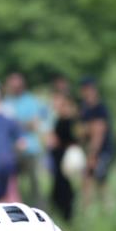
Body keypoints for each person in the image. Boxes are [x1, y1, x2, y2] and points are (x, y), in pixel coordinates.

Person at [1, 72, 50, 207]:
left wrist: (15, 126)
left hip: (30, 149)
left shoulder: (30, 101)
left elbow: (34, 124)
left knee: (34, 184)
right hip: (11, 150)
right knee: (11, 185)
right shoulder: (6, 102)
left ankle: (41, 211)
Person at [78, 77, 114, 202]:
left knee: (99, 182)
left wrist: (93, 154)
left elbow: (98, 133)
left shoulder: (99, 109)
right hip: (90, 151)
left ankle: (103, 211)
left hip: (101, 151)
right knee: (91, 182)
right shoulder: (84, 109)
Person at [45, 92, 79, 222]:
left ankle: (68, 217)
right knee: (58, 190)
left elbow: (71, 139)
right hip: (58, 160)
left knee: (64, 188)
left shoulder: (71, 121)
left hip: (65, 160)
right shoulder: (58, 119)